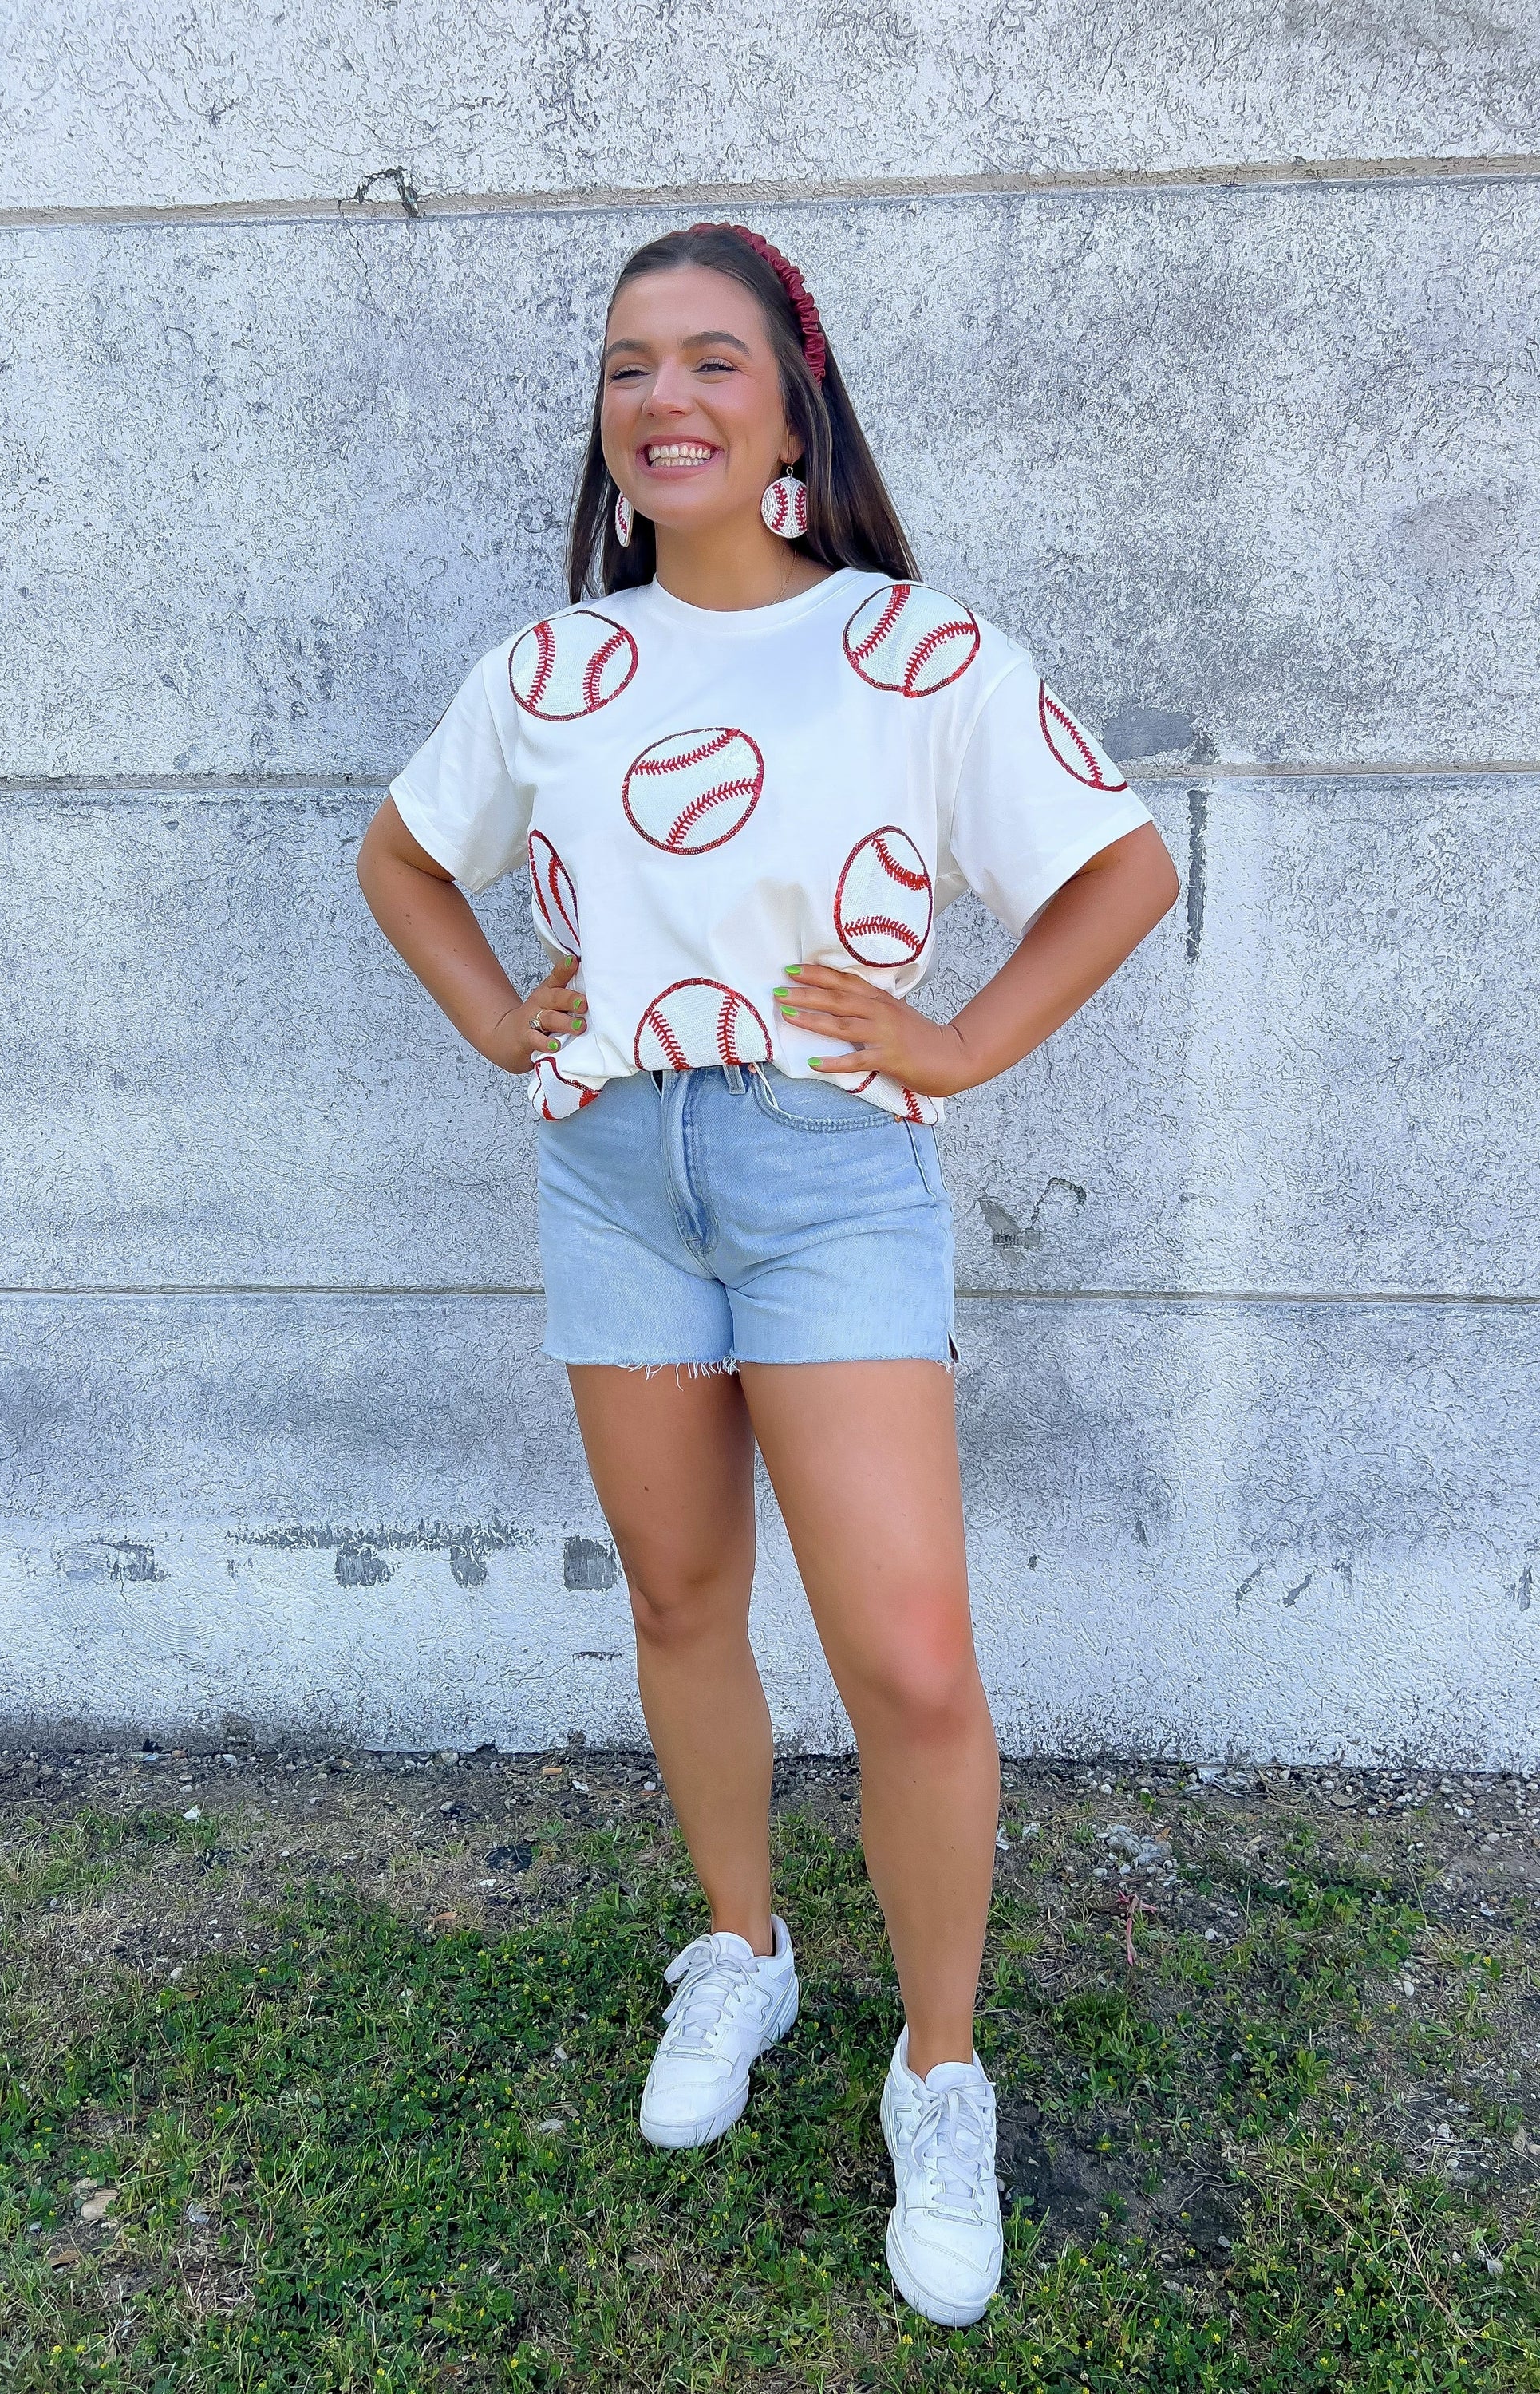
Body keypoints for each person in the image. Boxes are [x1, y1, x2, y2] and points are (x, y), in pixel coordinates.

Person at [357, 220, 1179, 2328]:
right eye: (632, 365)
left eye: (713, 360)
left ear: (791, 402)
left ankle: (939, 2065)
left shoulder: (913, 650)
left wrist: (966, 1043)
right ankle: (744, 1950)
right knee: (680, 1598)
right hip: (616, 1169)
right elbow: (400, 852)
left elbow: (1120, 862)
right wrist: (491, 1016)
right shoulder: (554, 667)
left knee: (908, 1656)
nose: (667, 399)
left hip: (826, 1175)